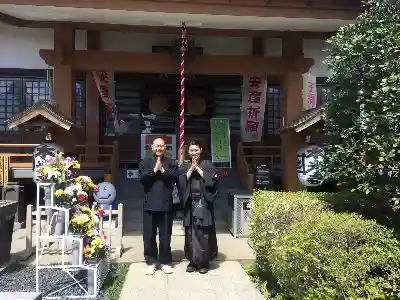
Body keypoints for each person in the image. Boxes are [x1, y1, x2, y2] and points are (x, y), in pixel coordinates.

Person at [139, 137, 179, 275]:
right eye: (156, 146)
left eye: (161, 146)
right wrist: (154, 170)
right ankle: (151, 261)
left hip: (166, 204)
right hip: (149, 204)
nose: (159, 148)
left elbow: (175, 178)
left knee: (165, 235)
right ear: (152, 147)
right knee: (149, 235)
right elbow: (142, 179)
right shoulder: (145, 162)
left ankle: (165, 261)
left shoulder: (171, 162)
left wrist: (162, 170)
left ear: (165, 148)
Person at [178, 140, 219, 274]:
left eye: (196, 150)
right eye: (191, 150)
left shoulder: (207, 164)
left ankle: (204, 263)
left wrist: (198, 169)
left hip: (203, 203)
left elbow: (212, 180)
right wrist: (191, 168)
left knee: (203, 233)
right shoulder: (185, 165)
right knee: (190, 233)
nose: (194, 153)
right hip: (190, 203)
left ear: (201, 150)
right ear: (188, 152)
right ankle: (192, 261)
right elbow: (182, 182)